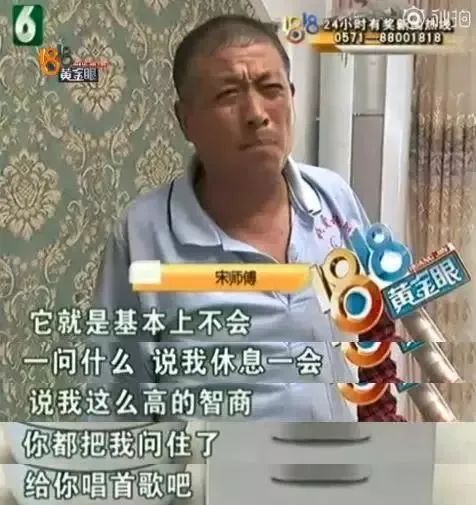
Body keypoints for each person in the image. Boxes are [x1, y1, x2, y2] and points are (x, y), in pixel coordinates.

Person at [95, 14, 405, 422]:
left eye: (271, 89)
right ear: (186, 120)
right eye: (228, 95)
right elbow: (117, 401)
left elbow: (372, 340)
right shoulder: (144, 235)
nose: (257, 114)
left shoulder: (333, 199)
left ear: (291, 97)